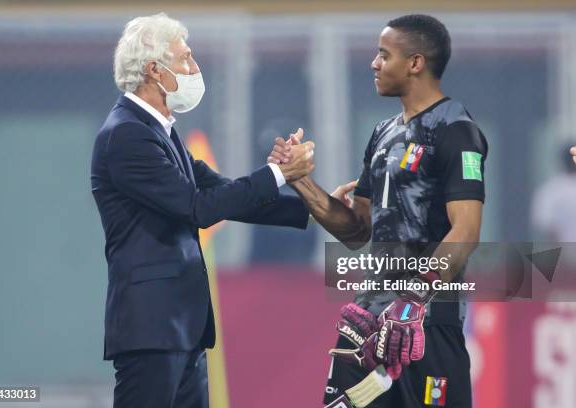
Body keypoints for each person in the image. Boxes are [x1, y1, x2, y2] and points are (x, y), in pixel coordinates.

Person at [91, 13, 315, 408]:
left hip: (183, 327)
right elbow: (199, 208)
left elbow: (222, 191)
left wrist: (313, 205)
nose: (195, 68)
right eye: (185, 59)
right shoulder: (127, 135)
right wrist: (277, 172)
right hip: (152, 328)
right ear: (152, 70)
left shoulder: (161, 131)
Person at [270, 14, 486, 408]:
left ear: (416, 63)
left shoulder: (456, 129)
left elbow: (466, 231)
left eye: (384, 55)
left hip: (425, 324)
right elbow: (356, 231)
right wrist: (300, 180)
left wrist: (413, 299)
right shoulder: (382, 133)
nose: (374, 63)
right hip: (366, 322)